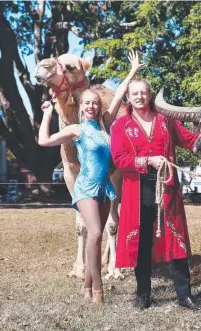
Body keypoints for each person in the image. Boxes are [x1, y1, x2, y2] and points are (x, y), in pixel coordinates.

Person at [109, 54, 201, 311]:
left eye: (143, 92)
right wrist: (148, 161)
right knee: (142, 241)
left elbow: (188, 139)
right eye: (134, 93)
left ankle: (184, 295)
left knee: (177, 239)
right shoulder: (120, 126)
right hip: (137, 190)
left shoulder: (166, 120)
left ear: (150, 95)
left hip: (167, 187)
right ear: (128, 97)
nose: (139, 97)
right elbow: (119, 158)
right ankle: (143, 295)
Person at [38, 80, 126, 304]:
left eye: (95, 103)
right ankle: (98, 289)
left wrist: (133, 72)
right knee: (96, 233)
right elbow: (44, 141)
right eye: (86, 103)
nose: (91, 106)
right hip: (86, 187)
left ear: (100, 106)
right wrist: (48, 114)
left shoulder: (106, 124)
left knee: (95, 240)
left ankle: (86, 286)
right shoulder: (76, 130)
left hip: (105, 188)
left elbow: (118, 97)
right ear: (80, 106)